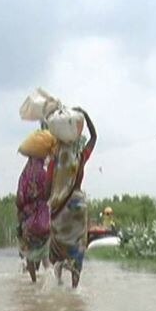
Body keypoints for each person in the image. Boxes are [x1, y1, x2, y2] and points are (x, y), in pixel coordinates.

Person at [48, 107, 97, 288]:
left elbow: (47, 188)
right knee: (77, 249)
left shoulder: (54, 161)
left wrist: (50, 203)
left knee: (57, 250)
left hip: (59, 209)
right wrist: (85, 114)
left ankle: (59, 282)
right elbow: (94, 138)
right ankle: (75, 287)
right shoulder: (80, 157)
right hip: (77, 207)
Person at [16, 155, 53, 283]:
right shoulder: (44, 174)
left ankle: (33, 282)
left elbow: (19, 200)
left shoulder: (24, 177)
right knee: (46, 256)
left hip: (29, 222)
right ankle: (51, 282)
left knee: (29, 257)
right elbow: (50, 193)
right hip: (44, 221)